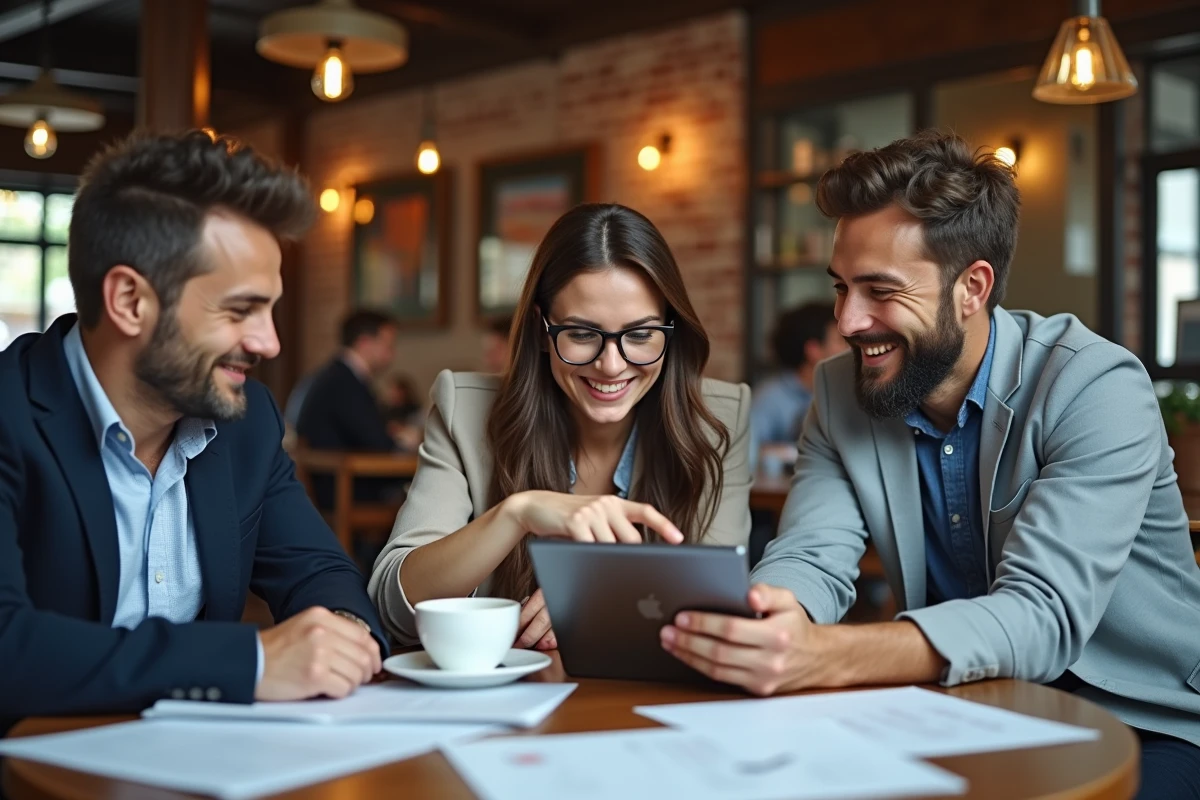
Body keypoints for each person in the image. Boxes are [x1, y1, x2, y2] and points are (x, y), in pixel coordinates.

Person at [658, 131, 1200, 799]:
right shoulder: (840, 391)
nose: (847, 321)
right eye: (841, 288)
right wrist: (770, 619)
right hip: (968, 706)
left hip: (1145, 718)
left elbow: (1042, 615)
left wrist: (828, 655)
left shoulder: (1094, 385)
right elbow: (812, 556)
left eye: (879, 291)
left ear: (972, 287)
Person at [0, 131, 385, 732]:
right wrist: (253, 662)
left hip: (203, 764)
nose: (269, 342)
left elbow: (319, 572)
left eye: (270, 309)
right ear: (130, 301)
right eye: (240, 310)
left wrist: (342, 637)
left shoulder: (246, 420)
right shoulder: (9, 413)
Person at [368, 203, 753, 651]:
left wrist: (597, 598)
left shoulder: (720, 419)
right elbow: (396, 606)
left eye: (640, 335)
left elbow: (719, 605)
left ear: (671, 331)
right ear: (541, 329)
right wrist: (516, 513)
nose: (612, 365)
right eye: (583, 334)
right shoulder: (464, 410)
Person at [296, 310, 405, 507]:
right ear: (364, 343)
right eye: (388, 346)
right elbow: (378, 443)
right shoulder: (344, 382)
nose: (392, 354)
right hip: (345, 492)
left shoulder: (333, 375)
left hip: (335, 485)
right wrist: (401, 439)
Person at [750, 302, 846, 469]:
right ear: (813, 350)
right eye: (841, 340)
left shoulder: (843, 394)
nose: (849, 348)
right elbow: (747, 451)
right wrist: (790, 452)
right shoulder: (769, 397)